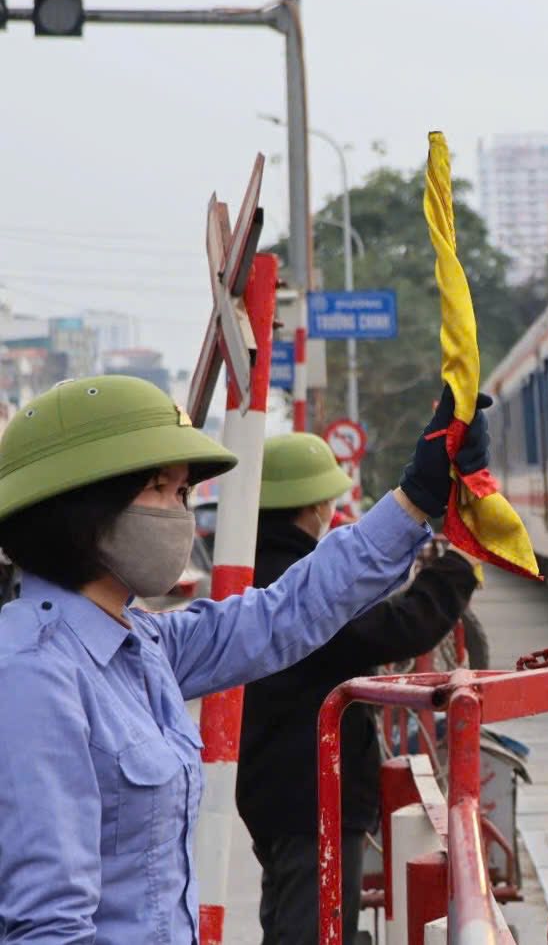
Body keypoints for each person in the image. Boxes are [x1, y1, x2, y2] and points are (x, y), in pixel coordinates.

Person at [0, 374, 486, 944]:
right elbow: (48, 927)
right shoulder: (32, 675)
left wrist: (416, 501)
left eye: (184, 494)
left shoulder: (143, 647)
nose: (179, 515)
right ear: (83, 504)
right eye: (160, 488)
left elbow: (288, 612)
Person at [236, 432, 482, 945]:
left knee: (288, 920)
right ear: (314, 505)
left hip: (276, 790)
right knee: (314, 932)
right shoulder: (294, 578)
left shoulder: (253, 571)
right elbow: (394, 629)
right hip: (312, 794)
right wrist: (461, 567)